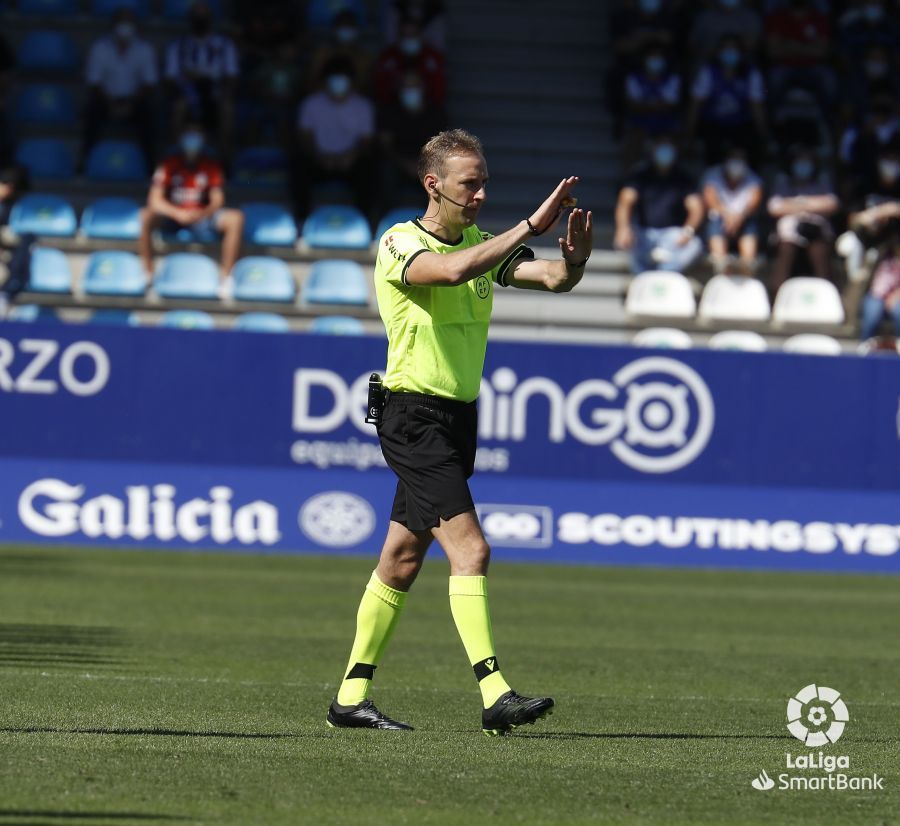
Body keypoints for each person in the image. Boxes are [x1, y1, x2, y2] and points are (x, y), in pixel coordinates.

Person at [327, 129, 592, 734]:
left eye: (483, 183)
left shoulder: (479, 243)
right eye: (469, 183)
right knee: (471, 550)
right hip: (412, 416)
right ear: (434, 184)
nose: (478, 194)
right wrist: (529, 224)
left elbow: (552, 280)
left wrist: (575, 259)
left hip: (456, 419)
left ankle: (349, 697)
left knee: (399, 559)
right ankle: (495, 692)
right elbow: (445, 273)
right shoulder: (400, 241)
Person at [138, 123, 244, 290]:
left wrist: (201, 213)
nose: (192, 138)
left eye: (196, 133)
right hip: (172, 217)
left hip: (202, 218)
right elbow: (155, 199)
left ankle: (227, 278)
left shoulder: (211, 165)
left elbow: (218, 200)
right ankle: (148, 274)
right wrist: (177, 213)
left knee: (235, 218)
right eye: (189, 133)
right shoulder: (168, 163)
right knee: (145, 215)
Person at [292, 57, 375, 219]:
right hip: (319, 160)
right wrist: (320, 156)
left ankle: (364, 220)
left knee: (369, 168)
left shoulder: (363, 106)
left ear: (352, 82)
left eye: (343, 79)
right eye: (334, 78)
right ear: (325, 81)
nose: (339, 83)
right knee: (298, 164)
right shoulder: (311, 104)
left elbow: (366, 140)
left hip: (350, 162)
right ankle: (301, 219)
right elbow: (305, 137)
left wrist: (350, 156)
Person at [81, 7, 158, 174]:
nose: (125, 26)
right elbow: (94, 82)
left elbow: (149, 84)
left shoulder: (145, 50)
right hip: (106, 100)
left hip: (135, 101)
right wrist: (111, 105)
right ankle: (85, 162)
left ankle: (151, 167)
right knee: (91, 112)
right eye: (121, 22)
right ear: (113, 25)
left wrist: (130, 105)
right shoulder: (99, 48)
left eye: (129, 22)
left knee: (149, 114)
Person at [613, 136, 704, 274]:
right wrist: (623, 228)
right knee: (625, 243)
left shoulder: (683, 177)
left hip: (673, 235)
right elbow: (626, 200)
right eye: (661, 146)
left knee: (695, 246)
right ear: (653, 150)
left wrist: (688, 232)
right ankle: (643, 277)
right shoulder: (640, 174)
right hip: (643, 233)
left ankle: (666, 273)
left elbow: (696, 207)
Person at [164, 1, 239, 159]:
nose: (200, 19)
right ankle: (178, 156)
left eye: (203, 15)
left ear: (211, 18)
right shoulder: (178, 46)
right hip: (188, 91)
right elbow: (170, 78)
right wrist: (186, 83)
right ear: (190, 19)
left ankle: (224, 158)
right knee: (179, 107)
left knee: (227, 108)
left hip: (215, 91)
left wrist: (215, 84)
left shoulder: (225, 45)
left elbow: (231, 76)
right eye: (197, 16)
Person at [766, 146, 840, 294]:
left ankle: (827, 297)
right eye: (800, 161)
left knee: (819, 252)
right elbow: (774, 207)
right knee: (786, 251)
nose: (803, 165)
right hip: (789, 233)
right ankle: (776, 298)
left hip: (816, 230)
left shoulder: (821, 181)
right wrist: (810, 205)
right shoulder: (784, 181)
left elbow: (832, 203)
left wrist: (796, 203)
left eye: (807, 161)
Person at [686, 34, 768, 166]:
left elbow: (757, 106)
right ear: (718, 52)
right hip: (713, 122)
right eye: (726, 48)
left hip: (740, 123)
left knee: (751, 143)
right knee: (712, 143)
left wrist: (763, 136)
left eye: (734, 48)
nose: (730, 52)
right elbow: (695, 105)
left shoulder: (751, 74)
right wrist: (689, 135)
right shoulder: (708, 72)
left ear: (741, 53)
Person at [837, 141, 900, 282]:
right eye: (887, 159)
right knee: (849, 244)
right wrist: (875, 215)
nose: (891, 164)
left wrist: (890, 211)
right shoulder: (866, 185)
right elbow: (853, 218)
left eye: (895, 160)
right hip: (866, 243)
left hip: (893, 244)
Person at [702, 147, 763, 274]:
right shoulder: (712, 175)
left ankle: (747, 271)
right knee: (714, 221)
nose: (737, 162)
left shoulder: (753, 178)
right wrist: (728, 215)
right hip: (720, 218)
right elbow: (710, 200)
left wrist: (739, 216)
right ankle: (721, 269)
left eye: (740, 159)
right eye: (734, 158)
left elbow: (754, 202)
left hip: (744, 218)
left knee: (750, 228)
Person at [621, 45, 682, 166]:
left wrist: (647, 105)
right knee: (633, 139)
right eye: (652, 56)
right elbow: (633, 105)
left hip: (664, 120)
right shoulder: (634, 77)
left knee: (670, 140)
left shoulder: (672, 78)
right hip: (641, 119)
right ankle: (627, 175)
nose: (655, 59)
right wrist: (656, 105)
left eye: (658, 56)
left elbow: (670, 105)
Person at [373, 19, 446, 107]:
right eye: (406, 35)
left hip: (427, 109)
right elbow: (380, 88)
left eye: (413, 35)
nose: (409, 38)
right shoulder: (387, 57)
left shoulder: (433, 57)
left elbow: (439, 89)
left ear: (421, 35)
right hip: (393, 108)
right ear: (399, 35)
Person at [859, 229, 900, 340]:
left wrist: (895, 296)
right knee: (872, 315)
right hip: (876, 295)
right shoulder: (881, 257)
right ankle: (864, 348)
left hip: (897, 297)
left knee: (898, 312)